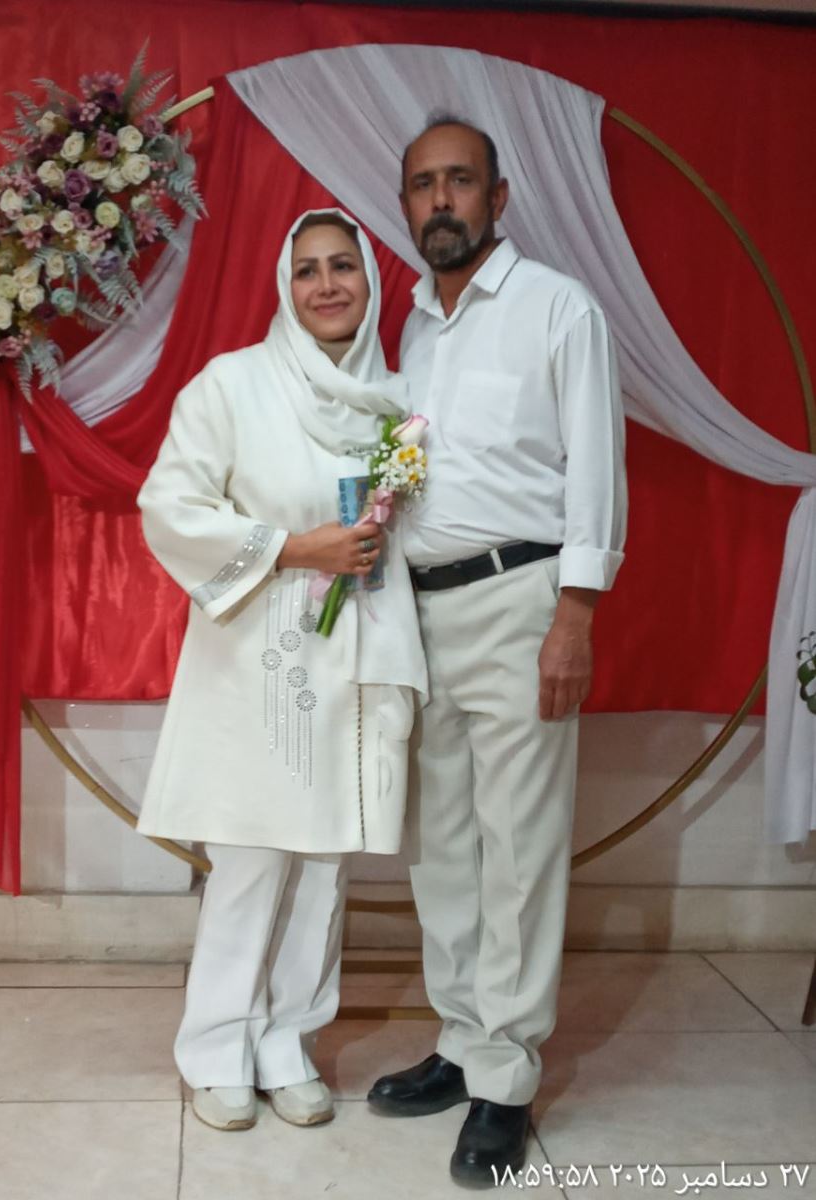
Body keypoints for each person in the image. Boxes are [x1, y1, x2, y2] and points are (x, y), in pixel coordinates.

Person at [367, 117, 627, 1187]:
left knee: (518, 846)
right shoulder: (413, 328)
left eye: (459, 181)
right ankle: (464, 1037)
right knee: (442, 846)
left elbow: (597, 470)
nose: (441, 201)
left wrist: (576, 616)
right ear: (405, 204)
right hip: (421, 611)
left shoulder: (559, 308)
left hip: (523, 601)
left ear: (499, 197)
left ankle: (507, 1080)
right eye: (423, 185)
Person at [136, 208, 427, 1134]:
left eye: (344, 266)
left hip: (357, 658)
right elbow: (169, 507)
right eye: (307, 270)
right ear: (284, 285)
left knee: (326, 864)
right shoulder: (233, 386)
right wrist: (296, 549)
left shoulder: (396, 403)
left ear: (370, 283)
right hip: (259, 664)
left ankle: (288, 1042)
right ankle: (217, 1046)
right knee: (252, 858)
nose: (327, 285)